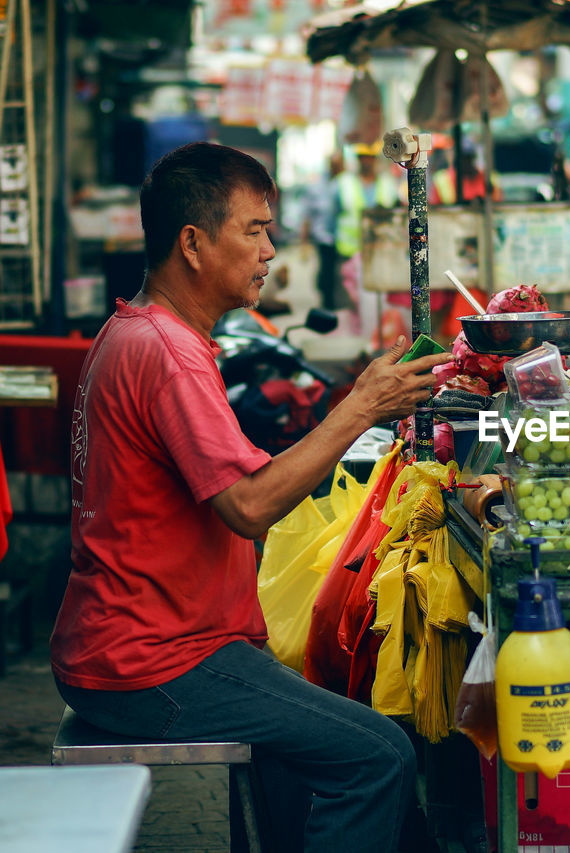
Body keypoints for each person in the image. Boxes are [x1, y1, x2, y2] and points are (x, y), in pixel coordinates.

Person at [49, 143, 452, 852]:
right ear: (194, 243)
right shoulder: (167, 352)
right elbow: (248, 502)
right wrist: (358, 408)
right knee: (379, 755)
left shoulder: (137, 332)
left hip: (142, 644)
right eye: (254, 230)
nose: (270, 249)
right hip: (155, 660)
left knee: (315, 746)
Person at [335, 142, 401, 309]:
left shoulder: (388, 183)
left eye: (369, 158)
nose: (366, 162)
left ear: (375, 160)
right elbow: (330, 216)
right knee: (352, 302)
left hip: (381, 251)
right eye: (363, 158)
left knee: (378, 303)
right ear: (358, 160)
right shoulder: (343, 183)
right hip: (350, 252)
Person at [300, 151, 344, 311]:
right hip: (324, 237)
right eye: (334, 164)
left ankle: (336, 303)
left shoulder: (346, 183)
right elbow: (307, 214)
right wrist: (303, 240)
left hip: (343, 239)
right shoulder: (317, 186)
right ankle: (327, 303)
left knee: (340, 274)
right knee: (326, 271)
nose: (337, 167)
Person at [429, 138, 502, 205]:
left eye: (468, 157)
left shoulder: (488, 177)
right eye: (462, 158)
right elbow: (435, 212)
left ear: (473, 158)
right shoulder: (442, 180)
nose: (465, 162)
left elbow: (498, 205)